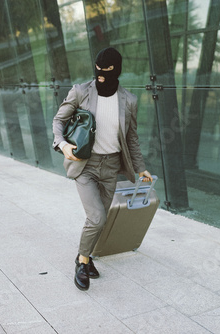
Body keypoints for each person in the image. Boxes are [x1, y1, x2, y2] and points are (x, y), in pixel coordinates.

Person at [52, 47, 152, 291]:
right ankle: (82, 261)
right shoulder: (81, 91)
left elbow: (131, 139)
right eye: (97, 70)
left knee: (101, 219)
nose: (100, 75)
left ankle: (86, 257)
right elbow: (59, 120)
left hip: (111, 167)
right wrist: (63, 144)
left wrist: (140, 169)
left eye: (106, 71)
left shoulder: (128, 100)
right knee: (96, 217)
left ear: (116, 71)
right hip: (85, 165)